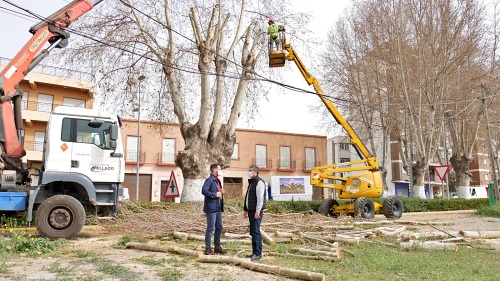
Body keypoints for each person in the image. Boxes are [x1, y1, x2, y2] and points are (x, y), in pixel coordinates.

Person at [201, 164, 227, 255]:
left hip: (218, 207)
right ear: (214, 170)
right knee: (210, 228)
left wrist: (221, 192)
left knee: (219, 227)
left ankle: (217, 247)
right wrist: (214, 194)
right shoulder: (209, 180)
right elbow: (204, 191)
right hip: (211, 208)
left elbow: (218, 192)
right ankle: (208, 249)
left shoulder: (217, 180)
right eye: (219, 169)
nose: (220, 170)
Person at [243, 165, 266, 261]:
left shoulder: (259, 182)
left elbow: (260, 198)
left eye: (250, 170)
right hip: (251, 210)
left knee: (255, 231)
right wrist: (245, 209)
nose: (248, 172)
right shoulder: (252, 182)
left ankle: (257, 253)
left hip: (256, 211)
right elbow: (247, 197)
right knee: (253, 231)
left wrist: (257, 211)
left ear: (255, 171)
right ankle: (254, 252)